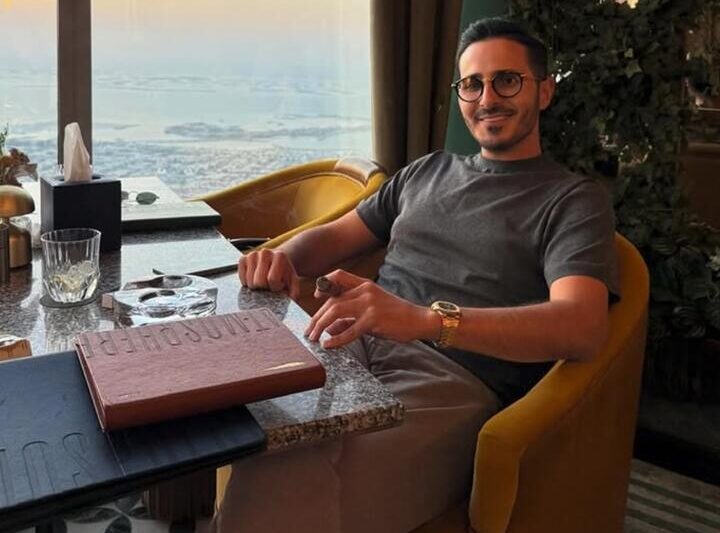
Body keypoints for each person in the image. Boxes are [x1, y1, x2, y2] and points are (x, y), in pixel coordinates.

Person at [210, 17, 619, 533]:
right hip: (349, 342)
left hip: (452, 379)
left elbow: (581, 325)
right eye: (472, 84)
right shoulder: (428, 171)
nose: (487, 98)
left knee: (286, 474)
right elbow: (334, 237)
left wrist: (427, 321)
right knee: (256, 431)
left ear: (544, 91)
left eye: (506, 81)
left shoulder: (572, 201)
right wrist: (282, 257)